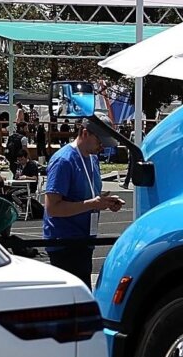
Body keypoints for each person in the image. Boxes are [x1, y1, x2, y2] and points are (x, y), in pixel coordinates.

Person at [41, 117, 123, 285]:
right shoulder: (63, 161)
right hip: (65, 243)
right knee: (72, 299)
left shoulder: (92, 159)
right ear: (85, 134)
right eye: (100, 141)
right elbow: (53, 208)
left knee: (82, 295)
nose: (102, 147)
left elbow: (90, 196)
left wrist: (105, 202)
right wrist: (93, 204)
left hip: (84, 240)